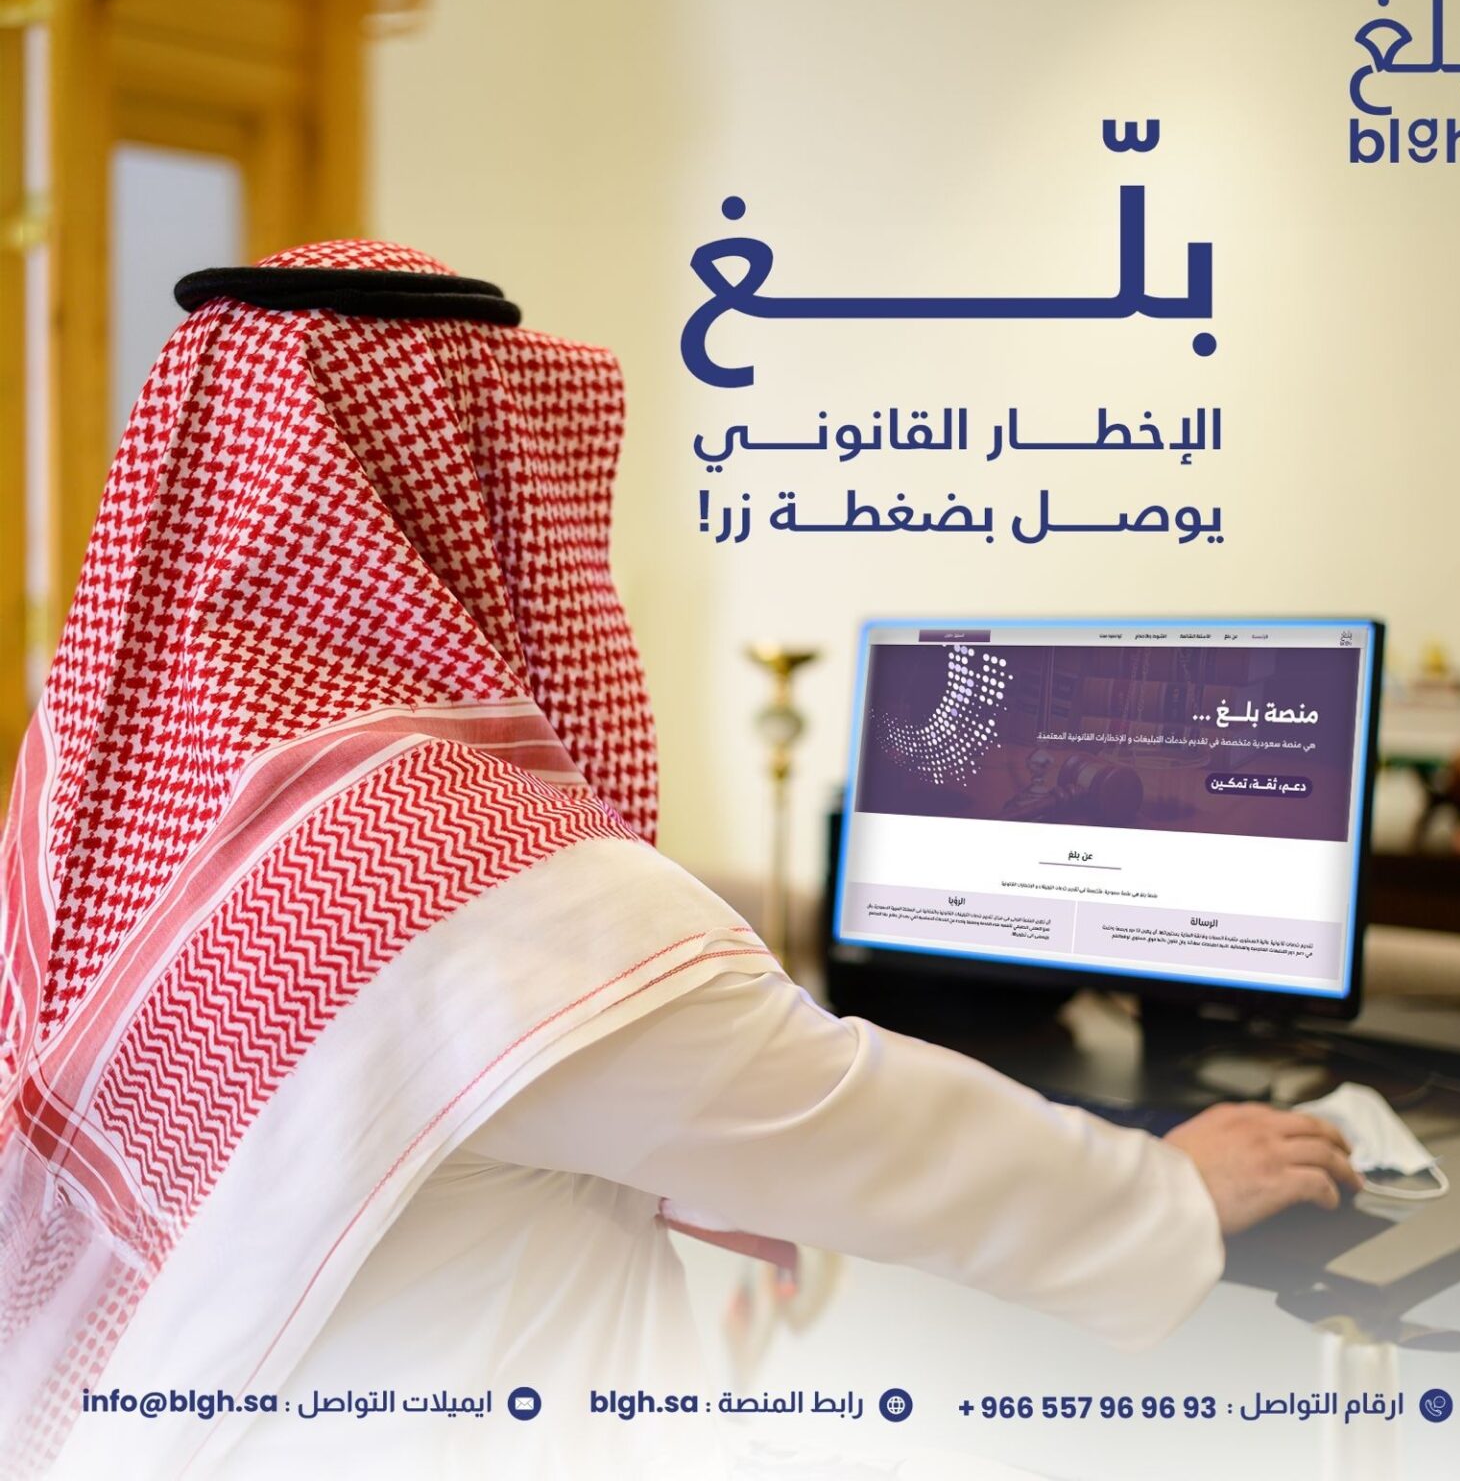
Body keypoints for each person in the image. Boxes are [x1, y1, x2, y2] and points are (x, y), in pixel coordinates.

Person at [0, 240, 1359, 1481]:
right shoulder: (467, 872)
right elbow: (858, 1127)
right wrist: (1168, 1191)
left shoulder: (119, 790)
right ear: (452, 481)